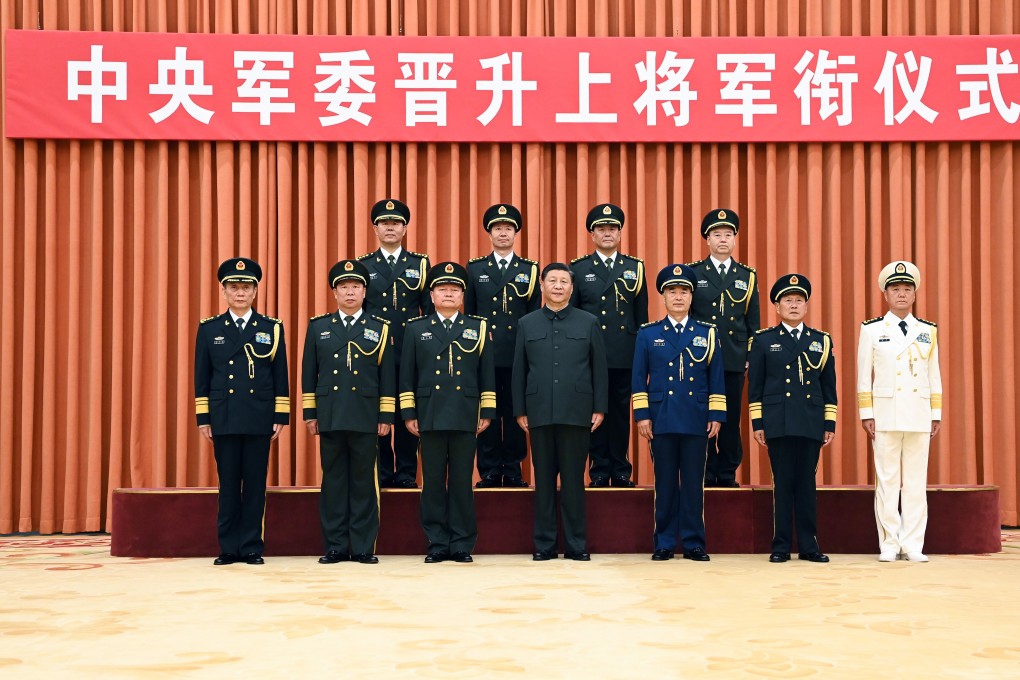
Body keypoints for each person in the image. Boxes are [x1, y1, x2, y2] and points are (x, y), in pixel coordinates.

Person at [194, 257, 289, 566]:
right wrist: (204, 418)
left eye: (246, 287)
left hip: (259, 417)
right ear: (223, 291)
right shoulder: (209, 329)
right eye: (233, 287)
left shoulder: (271, 328)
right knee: (229, 485)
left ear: (255, 291)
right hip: (225, 417)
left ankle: (251, 546)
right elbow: (202, 377)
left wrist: (280, 416)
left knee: (255, 484)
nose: (240, 292)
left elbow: (280, 375)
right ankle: (228, 547)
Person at [400, 262, 496, 564]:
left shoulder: (477, 327)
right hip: (428, 414)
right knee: (432, 481)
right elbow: (407, 375)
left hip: (466, 413)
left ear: (463, 295)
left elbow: (486, 374)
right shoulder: (416, 329)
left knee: (461, 481)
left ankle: (462, 543)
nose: (449, 294)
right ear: (431, 295)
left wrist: (488, 409)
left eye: (455, 289)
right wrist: (408, 412)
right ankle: (437, 542)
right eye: (443, 289)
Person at [302, 259, 396, 566]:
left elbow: (387, 377)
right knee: (334, 483)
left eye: (356, 286)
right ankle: (335, 546)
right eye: (344, 287)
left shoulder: (379, 328)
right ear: (334, 292)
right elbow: (308, 374)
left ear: (365, 290)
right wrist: (310, 413)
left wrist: (385, 416)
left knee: (364, 484)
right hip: (330, 415)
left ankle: (364, 546)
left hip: (366, 416)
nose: (350, 292)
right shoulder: (319, 327)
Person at [513, 263, 608, 561]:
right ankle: (544, 544)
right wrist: (519, 410)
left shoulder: (588, 322)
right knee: (542, 482)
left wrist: (599, 408)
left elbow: (599, 370)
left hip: (576, 412)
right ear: (541, 285)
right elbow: (519, 370)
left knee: (573, 482)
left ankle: (576, 544)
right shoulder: (527, 323)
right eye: (551, 280)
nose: (557, 286)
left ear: (571, 287)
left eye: (563, 281)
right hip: (538, 411)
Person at [632, 264, 726, 562]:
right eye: (672, 291)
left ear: (691, 296)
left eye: (683, 291)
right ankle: (663, 542)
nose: (678, 297)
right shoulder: (648, 334)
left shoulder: (706, 333)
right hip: (661, 417)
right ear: (663, 296)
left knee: (694, 485)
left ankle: (694, 542)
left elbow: (717, 377)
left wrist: (716, 414)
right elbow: (638, 378)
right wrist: (642, 415)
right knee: (666, 483)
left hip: (696, 417)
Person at [857, 261, 942, 563]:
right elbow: (863, 376)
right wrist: (867, 413)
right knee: (888, 480)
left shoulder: (927, 331)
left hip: (919, 412)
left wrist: (936, 414)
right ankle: (890, 543)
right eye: (896, 289)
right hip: (886, 412)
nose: (902, 294)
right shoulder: (872, 329)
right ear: (886, 295)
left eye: (907, 289)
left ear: (915, 294)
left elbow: (934, 375)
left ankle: (913, 543)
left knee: (917, 482)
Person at [748, 274, 836, 564]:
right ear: (777, 307)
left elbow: (828, 386)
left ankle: (810, 546)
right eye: (788, 300)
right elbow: (756, 386)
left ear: (807, 306)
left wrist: (829, 423)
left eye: (799, 300)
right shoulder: (763, 340)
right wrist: (758, 423)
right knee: (783, 483)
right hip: (778, 421)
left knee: (807, 485)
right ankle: (782, 545)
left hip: (810, 421)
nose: (794, 305)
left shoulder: (820, 341)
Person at [569, 203, 647, 487]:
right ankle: (599, 469)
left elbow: (642, 318)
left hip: (623, 352)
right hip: (589, 353)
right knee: (594, 412)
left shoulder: (634, 268)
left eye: (612, 228)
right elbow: (573, 316)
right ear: (592, 235)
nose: (607, 233)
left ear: (620, 233)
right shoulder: (578, 268)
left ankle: (621, 468)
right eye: (601, 229)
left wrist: (643, 354)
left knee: (619, 412)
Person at [358, 199, 433, 488]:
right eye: (384, 223)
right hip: (374, 351)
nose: (390, 227)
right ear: (375, 228)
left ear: (404, 228)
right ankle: (382, 472)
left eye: (396, 223)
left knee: (407, 412)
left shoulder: (419, 264)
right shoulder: (364, 265)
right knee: (378, 411)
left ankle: (405, 473)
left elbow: (428, 311)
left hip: (409, 350)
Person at [465, 203, 540, 488]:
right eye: (498, 228)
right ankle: (488, 470)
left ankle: (513, 468)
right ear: (490, 233)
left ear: (516, 233)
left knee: (515, 410)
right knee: (488, 411)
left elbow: (534, 315)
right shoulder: (475, 268)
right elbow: (470, 314)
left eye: (508, 228)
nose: (503, 233)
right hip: (485, 353)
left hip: (518, 353)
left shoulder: (529, 269)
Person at [689, 208, 760, 487]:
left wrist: (749, 357)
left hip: (733, 356)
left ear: (734, 240)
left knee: (731, 418)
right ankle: (705, 469)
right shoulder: (695, 273)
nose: (722, 239)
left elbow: (753, 322)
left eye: (728, 235)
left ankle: (727, 471)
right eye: (716, 234)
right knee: (703, 413)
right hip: (700, 356)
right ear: (707, 239)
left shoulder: (747, 276)